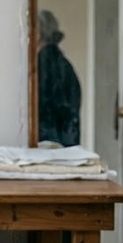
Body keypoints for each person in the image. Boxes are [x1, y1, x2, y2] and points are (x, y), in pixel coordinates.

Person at [36, 9, 82, 146]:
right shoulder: (64, 64)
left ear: (37, 34)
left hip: (48, 145)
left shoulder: (42, 65)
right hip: (67, 144)